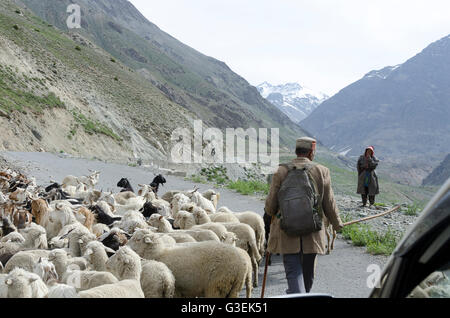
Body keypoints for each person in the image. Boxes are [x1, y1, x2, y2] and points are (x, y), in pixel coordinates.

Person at [264, 137, 343, 294]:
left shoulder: (281, 171)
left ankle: (296, 295)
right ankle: (301, 296)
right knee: (308, 274)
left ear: (296, 151)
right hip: (312, 233)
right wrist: (337, 223)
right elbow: (329, 202)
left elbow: (271, 207)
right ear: (311, 152)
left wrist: (272, 213)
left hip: (287, 233)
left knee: (293, 273)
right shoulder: (322, 171)